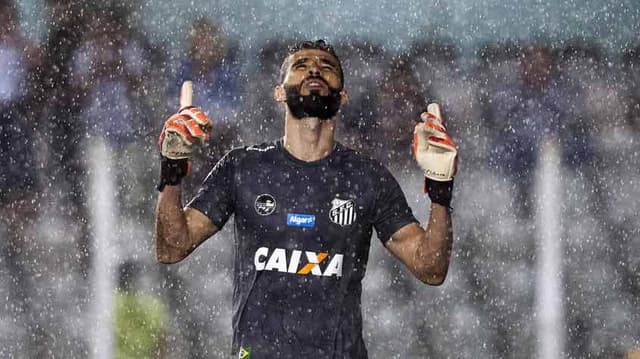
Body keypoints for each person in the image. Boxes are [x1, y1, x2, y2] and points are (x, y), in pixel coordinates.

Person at [155, 39, 457, 358]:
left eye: (327, 67)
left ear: (343, 96)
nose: (314, 69)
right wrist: (172, 168)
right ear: (278, 92)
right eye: (301, 66)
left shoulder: (368, 177)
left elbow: (431, 269)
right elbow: (171, 247)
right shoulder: (242, 167)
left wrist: (440, 189)